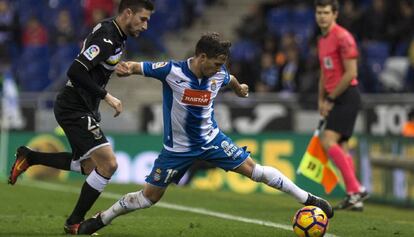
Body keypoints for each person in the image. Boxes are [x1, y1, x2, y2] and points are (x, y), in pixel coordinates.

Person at [76, 32, 334, 235]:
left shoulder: (218, 74)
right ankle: (102, 219)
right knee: (147, 198)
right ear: (201, 56)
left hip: (212, 141)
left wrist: (240, 87)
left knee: (256, 171)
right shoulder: (172, 71)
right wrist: (119, 67)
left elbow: (229, 79)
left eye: (222, 64)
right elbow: (135, 67)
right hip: (176, 150)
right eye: (216, 63)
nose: (219, 68)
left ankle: (309, 198)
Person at [7, 0, 154, 234]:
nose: (145, 25)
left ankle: (30, 157)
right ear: (128, 13)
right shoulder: (107, 36)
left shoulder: (114, 34)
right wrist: (107, 96)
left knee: (88, 166)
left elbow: (96, 62)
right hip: (73, 105)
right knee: (109, 164)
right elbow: (75, 71)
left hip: (83, 106)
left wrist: (110, 69)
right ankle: (74, 222)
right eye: (143, 19)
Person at [315, 0, 368, 211]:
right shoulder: (322, 40)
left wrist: (330, 99)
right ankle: (355, 197)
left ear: (335, 14)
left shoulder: (343, 37)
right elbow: (324, 73)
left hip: (347, 95)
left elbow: (351, 74)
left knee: (328, 140)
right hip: (335, 97)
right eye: (318, 12)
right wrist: (321, 99)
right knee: (343, 147)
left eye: (326, 12)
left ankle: (357, 188)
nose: (321, 16)